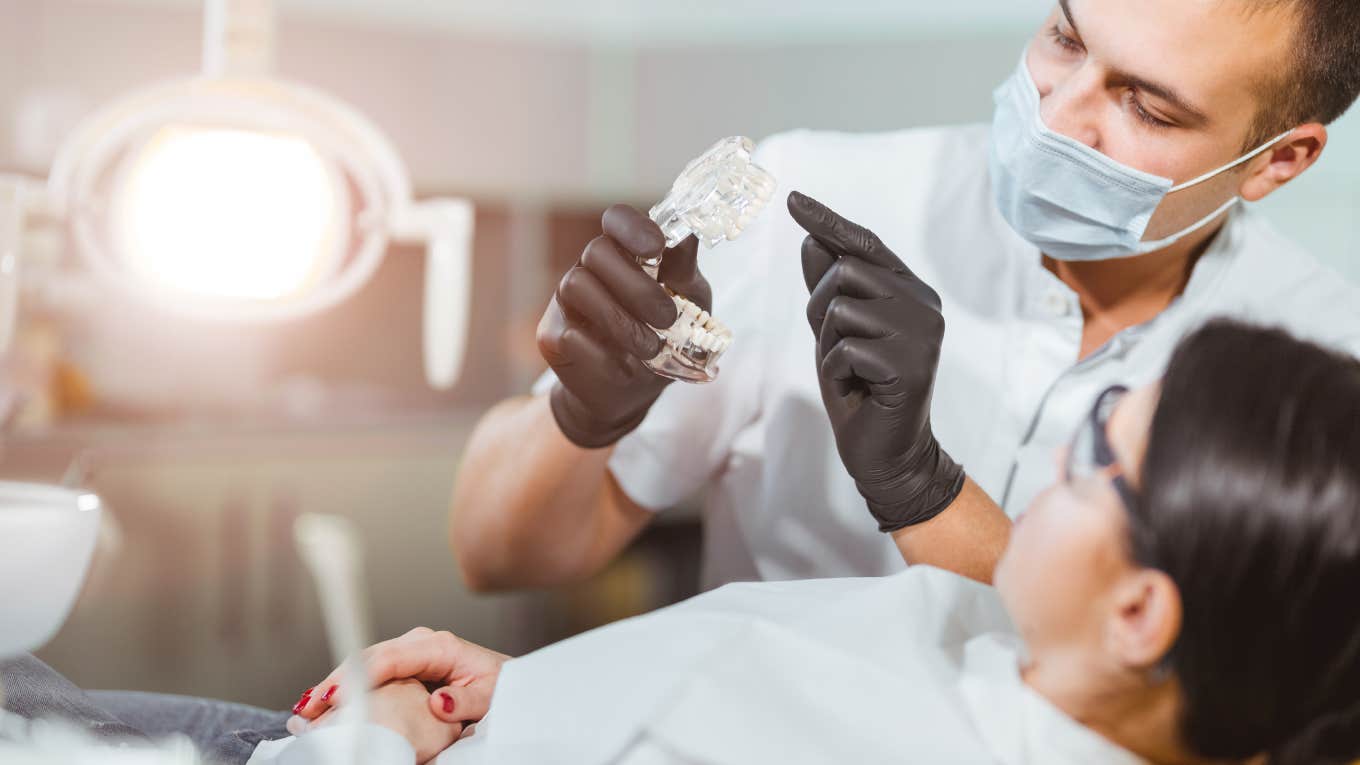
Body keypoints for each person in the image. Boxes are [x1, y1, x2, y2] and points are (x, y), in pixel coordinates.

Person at [450, 0, 1360, 593]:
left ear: (1280, 159)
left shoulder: (1325, 365)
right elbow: (497, 555)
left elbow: (1195, 707)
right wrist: (580, 412)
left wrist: (923, 489)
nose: (1055, 115)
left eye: (1147, 108)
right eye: (1067, 38)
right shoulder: (810, 199)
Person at [274, 320, 1360, 765]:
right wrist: (533, 698)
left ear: (1136, 616)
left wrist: (378, 748)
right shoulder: (1007, 658)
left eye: (1097, 460)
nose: (1056, 463)